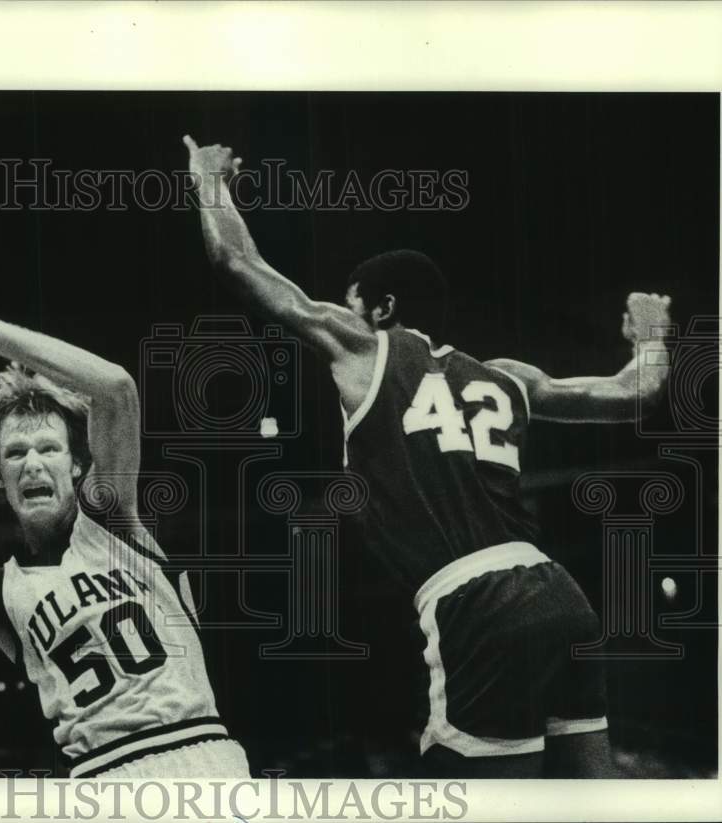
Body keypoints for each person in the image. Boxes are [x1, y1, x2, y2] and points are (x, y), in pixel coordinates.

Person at [182, 135, 672, 778]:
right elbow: (632, 393)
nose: (342, 312)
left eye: (352, 301)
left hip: (475, 601)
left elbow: (238, 263)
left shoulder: (368, 348)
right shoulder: (510, 378)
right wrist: (654, 335)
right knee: (589, 796)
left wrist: (207, 182)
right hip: (561, 597)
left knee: (459, 799)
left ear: (381, 308)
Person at [0, 285, 250, 778]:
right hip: (97, 780)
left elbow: (117, 388)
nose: (33, 464)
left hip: (200, 754)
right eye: (16, 453)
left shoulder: (110, 521)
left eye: (49, 448)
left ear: (79, 465)